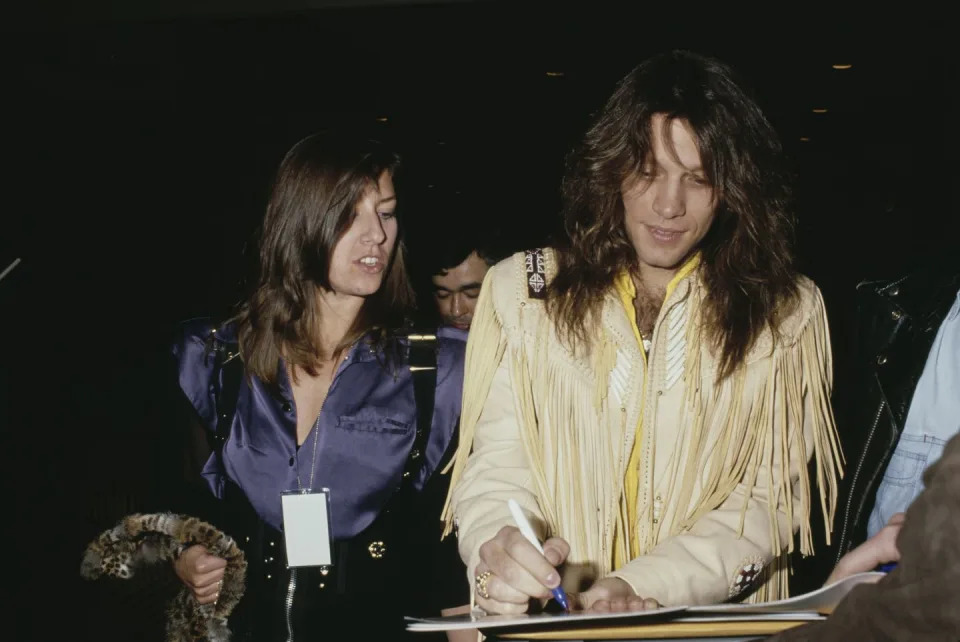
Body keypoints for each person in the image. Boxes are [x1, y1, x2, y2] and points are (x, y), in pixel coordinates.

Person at [442, 50, 844, 614]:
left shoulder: (784, 311)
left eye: (698, 180)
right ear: (610, 169)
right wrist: (498, 550)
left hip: (711, 624)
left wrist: (644, 585)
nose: (669, 205)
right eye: (648, 172)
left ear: (733, 190)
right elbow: (498, 467)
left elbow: (771, 500)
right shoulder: (524, 292)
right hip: (559, 621)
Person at [170, 132, 469, 640]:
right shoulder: (217, 357)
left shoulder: (437, 370)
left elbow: (453, 545)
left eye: (387, 213)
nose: (376, 234)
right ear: (301, 221)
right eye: (351, 214)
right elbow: (188, 493)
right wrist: (186, 553)